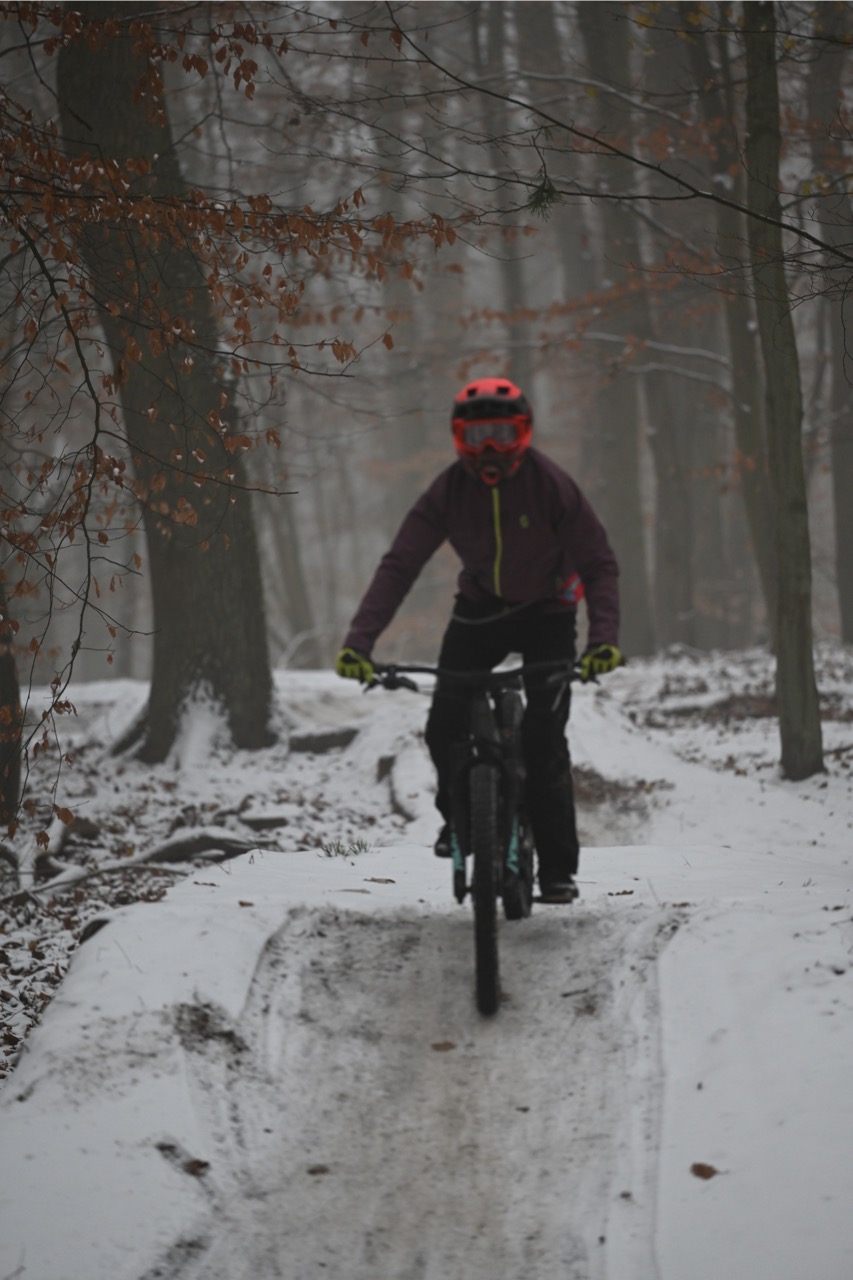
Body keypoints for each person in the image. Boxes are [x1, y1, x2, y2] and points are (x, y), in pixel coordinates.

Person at [335, 376, 622, 902]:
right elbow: (400, 565)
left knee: (544, 739)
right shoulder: (448, 492)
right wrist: (359, 643)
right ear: (457, 438)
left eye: (502, 434)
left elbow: (599, 563)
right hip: (481, 609)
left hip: (549, 611)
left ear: (523, 433)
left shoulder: (551, 486)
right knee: (443, 723)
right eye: (476, 436)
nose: (489, 448)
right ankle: (462, 821)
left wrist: (603, 638)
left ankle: (557, 869)